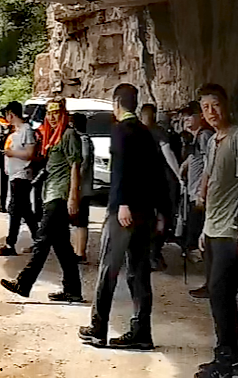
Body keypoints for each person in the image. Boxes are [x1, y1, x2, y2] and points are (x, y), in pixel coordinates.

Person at [81, 82, 167, 351]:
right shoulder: (146, 132)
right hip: (146, 212)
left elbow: (120, 170)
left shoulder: (120, 130)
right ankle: (142, 332)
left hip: (125, 211)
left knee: (109, 268)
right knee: (139, 273)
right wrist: (163, 210)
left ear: (116, 104)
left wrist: (122, 203)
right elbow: (158, 174)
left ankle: (98, 328)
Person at [192, 83, 238, 378]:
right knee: (217, 295)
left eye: (215, 105)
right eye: (205, 107)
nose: (211, 112)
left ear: (226, 104)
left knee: (221, 292)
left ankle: (230, 361)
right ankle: (225, 357)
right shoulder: (212, 140)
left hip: (232, 229)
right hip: (214, 228)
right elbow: (209, 180)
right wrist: (204, 227)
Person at [1, 100, 85, 302]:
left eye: (56, 112)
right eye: (49, 113)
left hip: (60, 195)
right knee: (62, 247)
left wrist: (74, 196)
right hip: (50, 192)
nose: (52, 117)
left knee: (42, 241)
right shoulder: (52, 137)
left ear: (63, 114)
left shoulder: (68, 135)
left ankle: (24, 282)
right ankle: (72, 290)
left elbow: (75, 166)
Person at [0, 102, 40, 255]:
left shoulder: (27, 131)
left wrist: (12, 154)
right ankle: (38, 240)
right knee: (23, 210)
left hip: (22, 175)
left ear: (11, 114)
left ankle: (11, 244)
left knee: (16, 209)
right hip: (15, 174)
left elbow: (30, 154)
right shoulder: (16, 131)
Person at [139, 103, 181, 270]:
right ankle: (154, 254)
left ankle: (147, 255)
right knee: (163, 217)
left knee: (147, 218)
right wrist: (179, 176)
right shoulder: (159, 132)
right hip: (161, 181)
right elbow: (168, 154)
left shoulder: (137, 131)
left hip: (143, 182)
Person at [180, 106, 212, 258]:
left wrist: (202, 190)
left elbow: (208, 162)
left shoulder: (205, 135)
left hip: (200, 189)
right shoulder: (195, 137)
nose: (186, 119)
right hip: (193, 188)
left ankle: (200, 252)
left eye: (190, 115)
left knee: (197, 222)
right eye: (184, 116)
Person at [70, 111, 96, 261]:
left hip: (82, 187)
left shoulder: (83, 140)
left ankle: (80, 252)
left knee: (81, 221)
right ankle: (77, 250)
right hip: (83, 186)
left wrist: (75, 177)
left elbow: (83, 162)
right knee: (77, 221)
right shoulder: (85, 139)